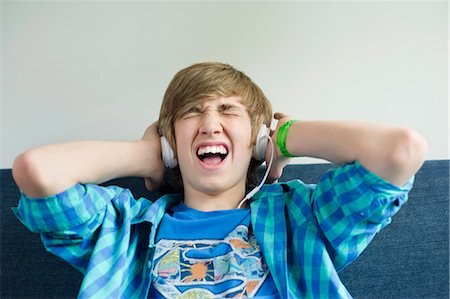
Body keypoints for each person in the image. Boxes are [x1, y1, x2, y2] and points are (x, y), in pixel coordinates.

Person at [12, 62, 427, 298]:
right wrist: (149, 155)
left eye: (229, 111)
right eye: (191, 112)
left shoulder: (302, 217)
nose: (210, 124)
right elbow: (37, 171)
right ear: (172, 143)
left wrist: (284, 137)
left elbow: (401, 151)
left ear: (257, 141)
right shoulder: (125, 229)